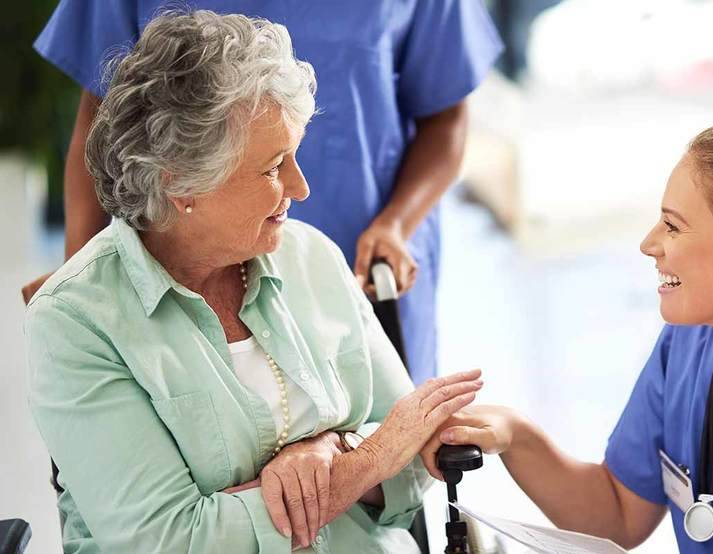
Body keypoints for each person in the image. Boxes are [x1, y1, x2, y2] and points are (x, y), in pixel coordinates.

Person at [25, 12, 484, 553]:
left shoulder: (311, 257)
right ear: (181, 183)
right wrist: (366, 461)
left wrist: (330, 449)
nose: (301, 187)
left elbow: (418, 460)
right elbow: (172, 542)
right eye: (273, 168)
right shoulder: (78, 318)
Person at [421, 114, 713, 552]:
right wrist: (516, 435)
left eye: (673, 226)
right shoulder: (690, 348)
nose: (649, 244)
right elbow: (618, 513)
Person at [24, 0, 504, 384]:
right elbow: (103, 120)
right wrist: (81, 284)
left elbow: (446, 118)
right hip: (182, 276)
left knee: (383, 466)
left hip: (364, 267)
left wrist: (396, 224)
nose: (299, 188)